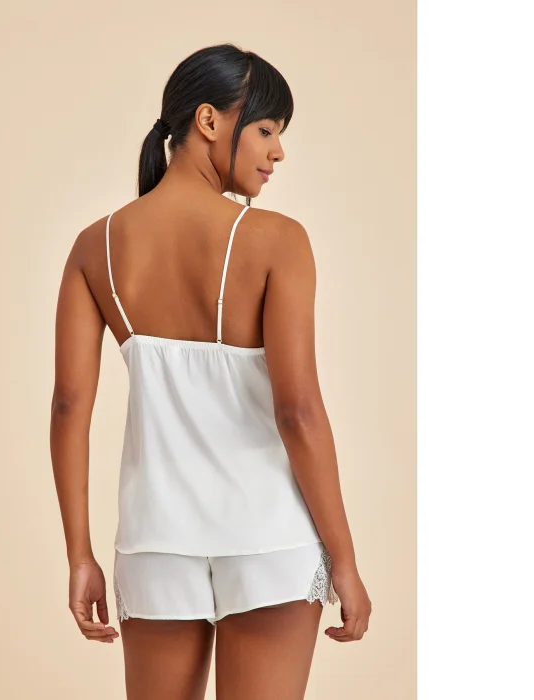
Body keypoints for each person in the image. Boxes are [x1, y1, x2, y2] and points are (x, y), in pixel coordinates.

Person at [50, 43, 372, 700]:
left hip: (154, 542)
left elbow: (68, 409)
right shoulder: (278, 240)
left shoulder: (95, 247)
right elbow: (298, 412)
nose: (278, 152)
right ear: (208, 120)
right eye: (266, 129)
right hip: (269, 538)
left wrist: (79, 554)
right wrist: (344, 559)